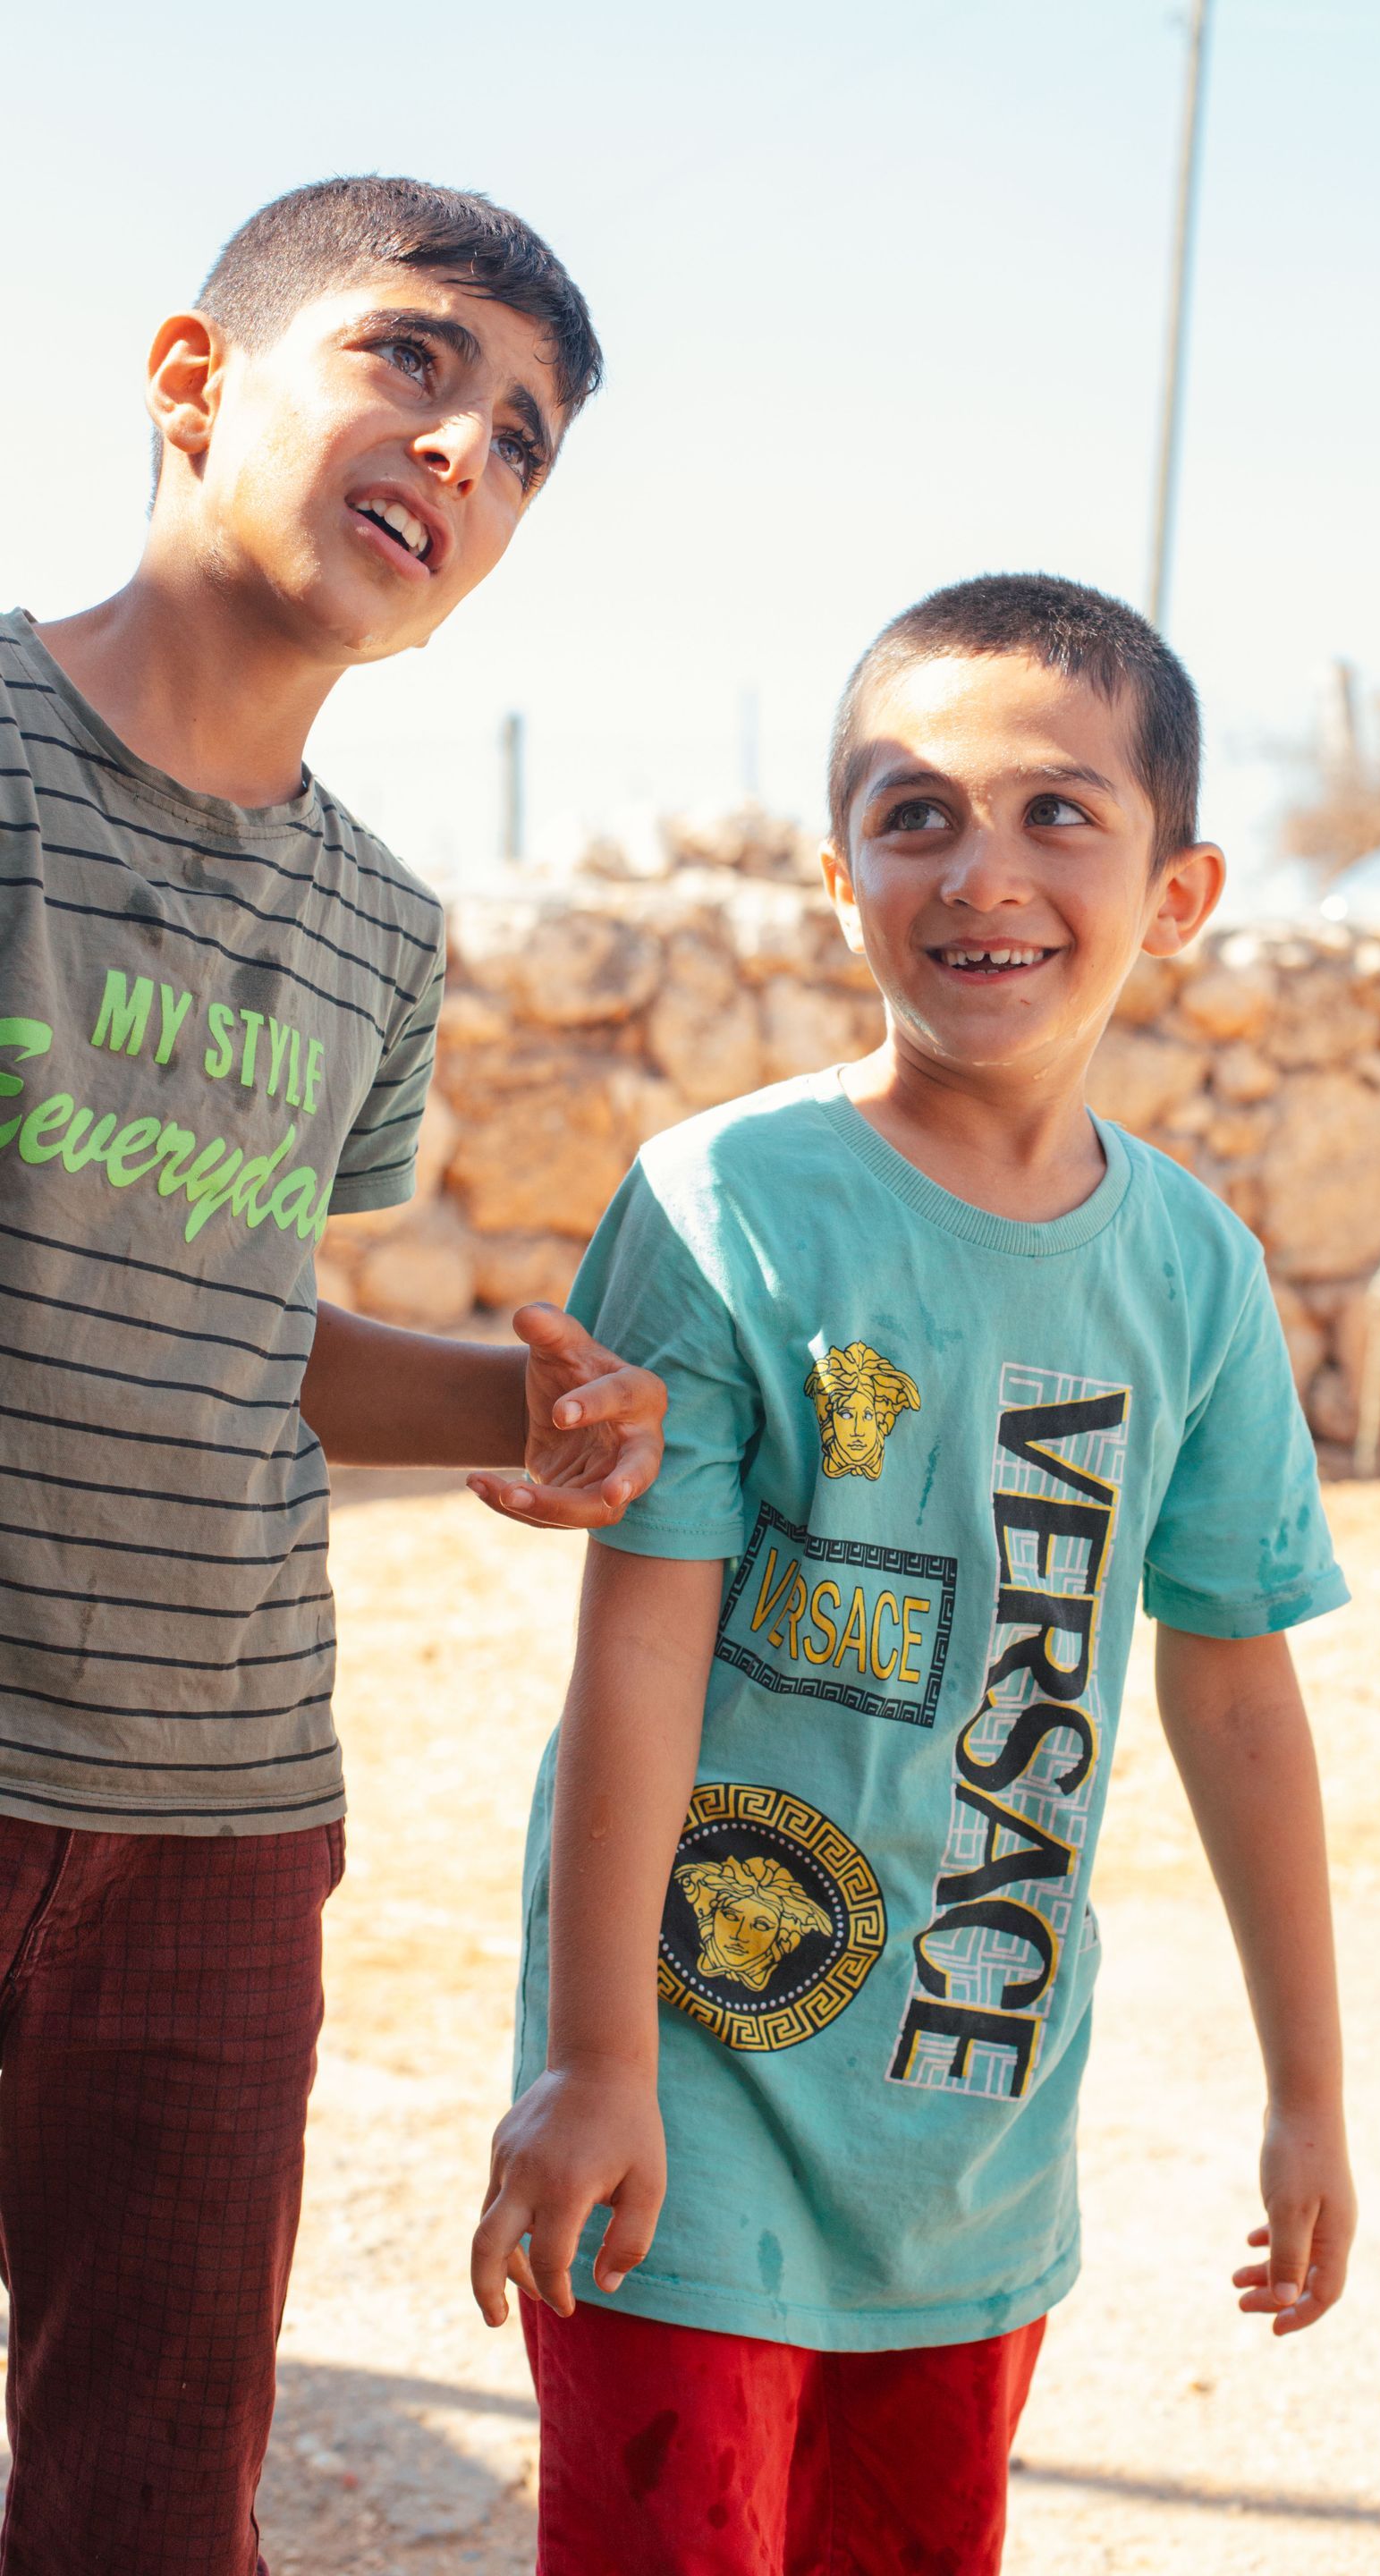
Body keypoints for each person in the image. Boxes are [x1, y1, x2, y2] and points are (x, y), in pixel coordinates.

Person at [475, 572, 1359, 2575]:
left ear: (1180, 891)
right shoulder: (726, 1205)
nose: (984, 870)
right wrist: (594, 2063)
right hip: (690, 2100)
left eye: (1059, 812)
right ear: (838, 874)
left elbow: (1234, 1684)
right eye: (917, 814)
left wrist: (1309, 2095)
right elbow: (638, 1653)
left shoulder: (1195, 1273)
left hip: (973, 2131)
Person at [0, 177, 666, 2574]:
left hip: (222, 1826)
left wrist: (512, 1413)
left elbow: (223, 1319)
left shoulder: (383, 928)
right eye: (412, 360)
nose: (467, 446)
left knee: (152, 2507)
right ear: (193, 382)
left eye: (525, 438)